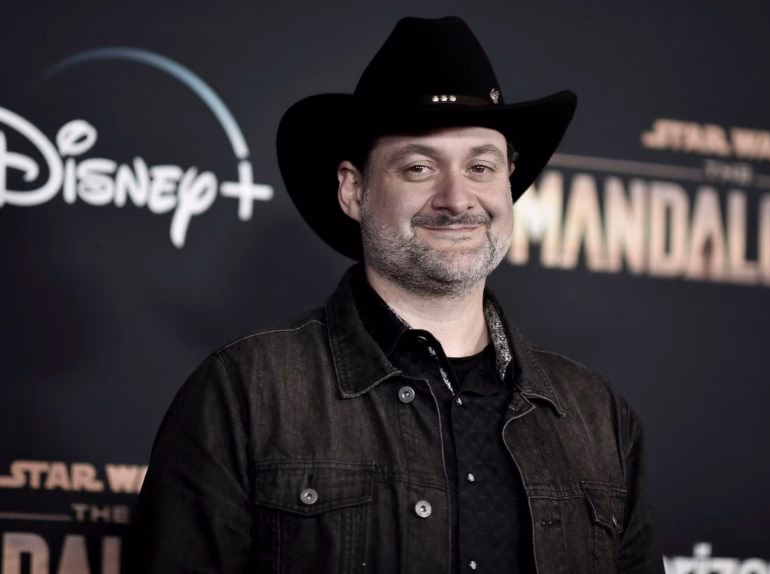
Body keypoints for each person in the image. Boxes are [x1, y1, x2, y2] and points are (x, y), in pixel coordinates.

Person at [128, 16, 663, 574]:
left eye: (480, 166)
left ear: (508, 182)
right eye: (418, 167)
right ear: (353, 190)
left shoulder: (599, 418)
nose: (457, 198)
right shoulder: (245, 392)